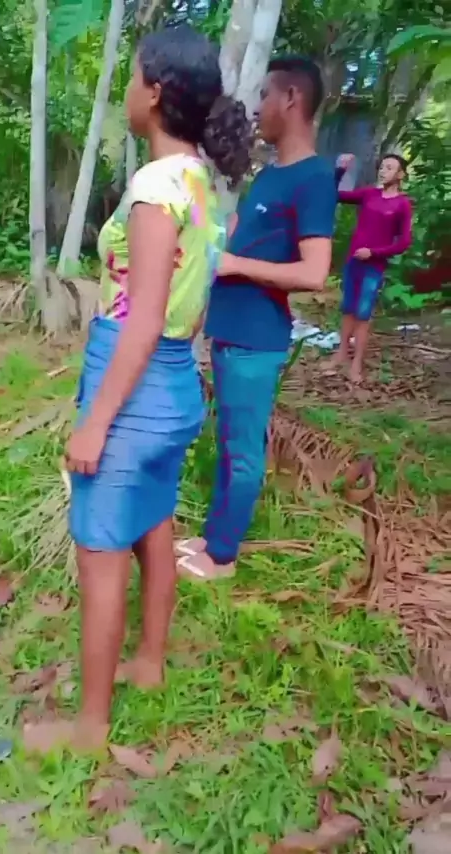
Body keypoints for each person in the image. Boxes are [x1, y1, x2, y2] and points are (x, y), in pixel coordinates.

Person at [24, 24, 251, 753]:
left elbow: (143, 319)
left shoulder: (156, 187)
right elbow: (185, 307)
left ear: (154, 93)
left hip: (134, 383)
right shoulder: (203, 184)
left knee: (99, 550)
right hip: (177, 383)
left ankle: (89, 728)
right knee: (154, 520)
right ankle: (148, 663)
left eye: (131, 77)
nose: (125, 90)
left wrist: (96, 422)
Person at [175, 56, 338, 582]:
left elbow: (314, 272)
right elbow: (237, 239)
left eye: (266, 95)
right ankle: (212, 537)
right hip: (229, 330)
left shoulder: (314, 178)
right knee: (228, 443)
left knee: (244, 451)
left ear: (291, 99)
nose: (258, 108)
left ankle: (222, 556)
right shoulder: (269, 176)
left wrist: (234, 265)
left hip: (257, 338)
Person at [323, 153, 412, 383]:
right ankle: (341, 353)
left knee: (363, 314)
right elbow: (334, 196)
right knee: (348, 309)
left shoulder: (402, 204)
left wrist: (374, 253)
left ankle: (357, 364)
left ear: (400, 174)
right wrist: (339, 171)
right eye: (382, 167)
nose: (383, 171)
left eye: (389, 168)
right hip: (353, 261)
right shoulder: (369, 194)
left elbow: (403, 242)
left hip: (373, 267)